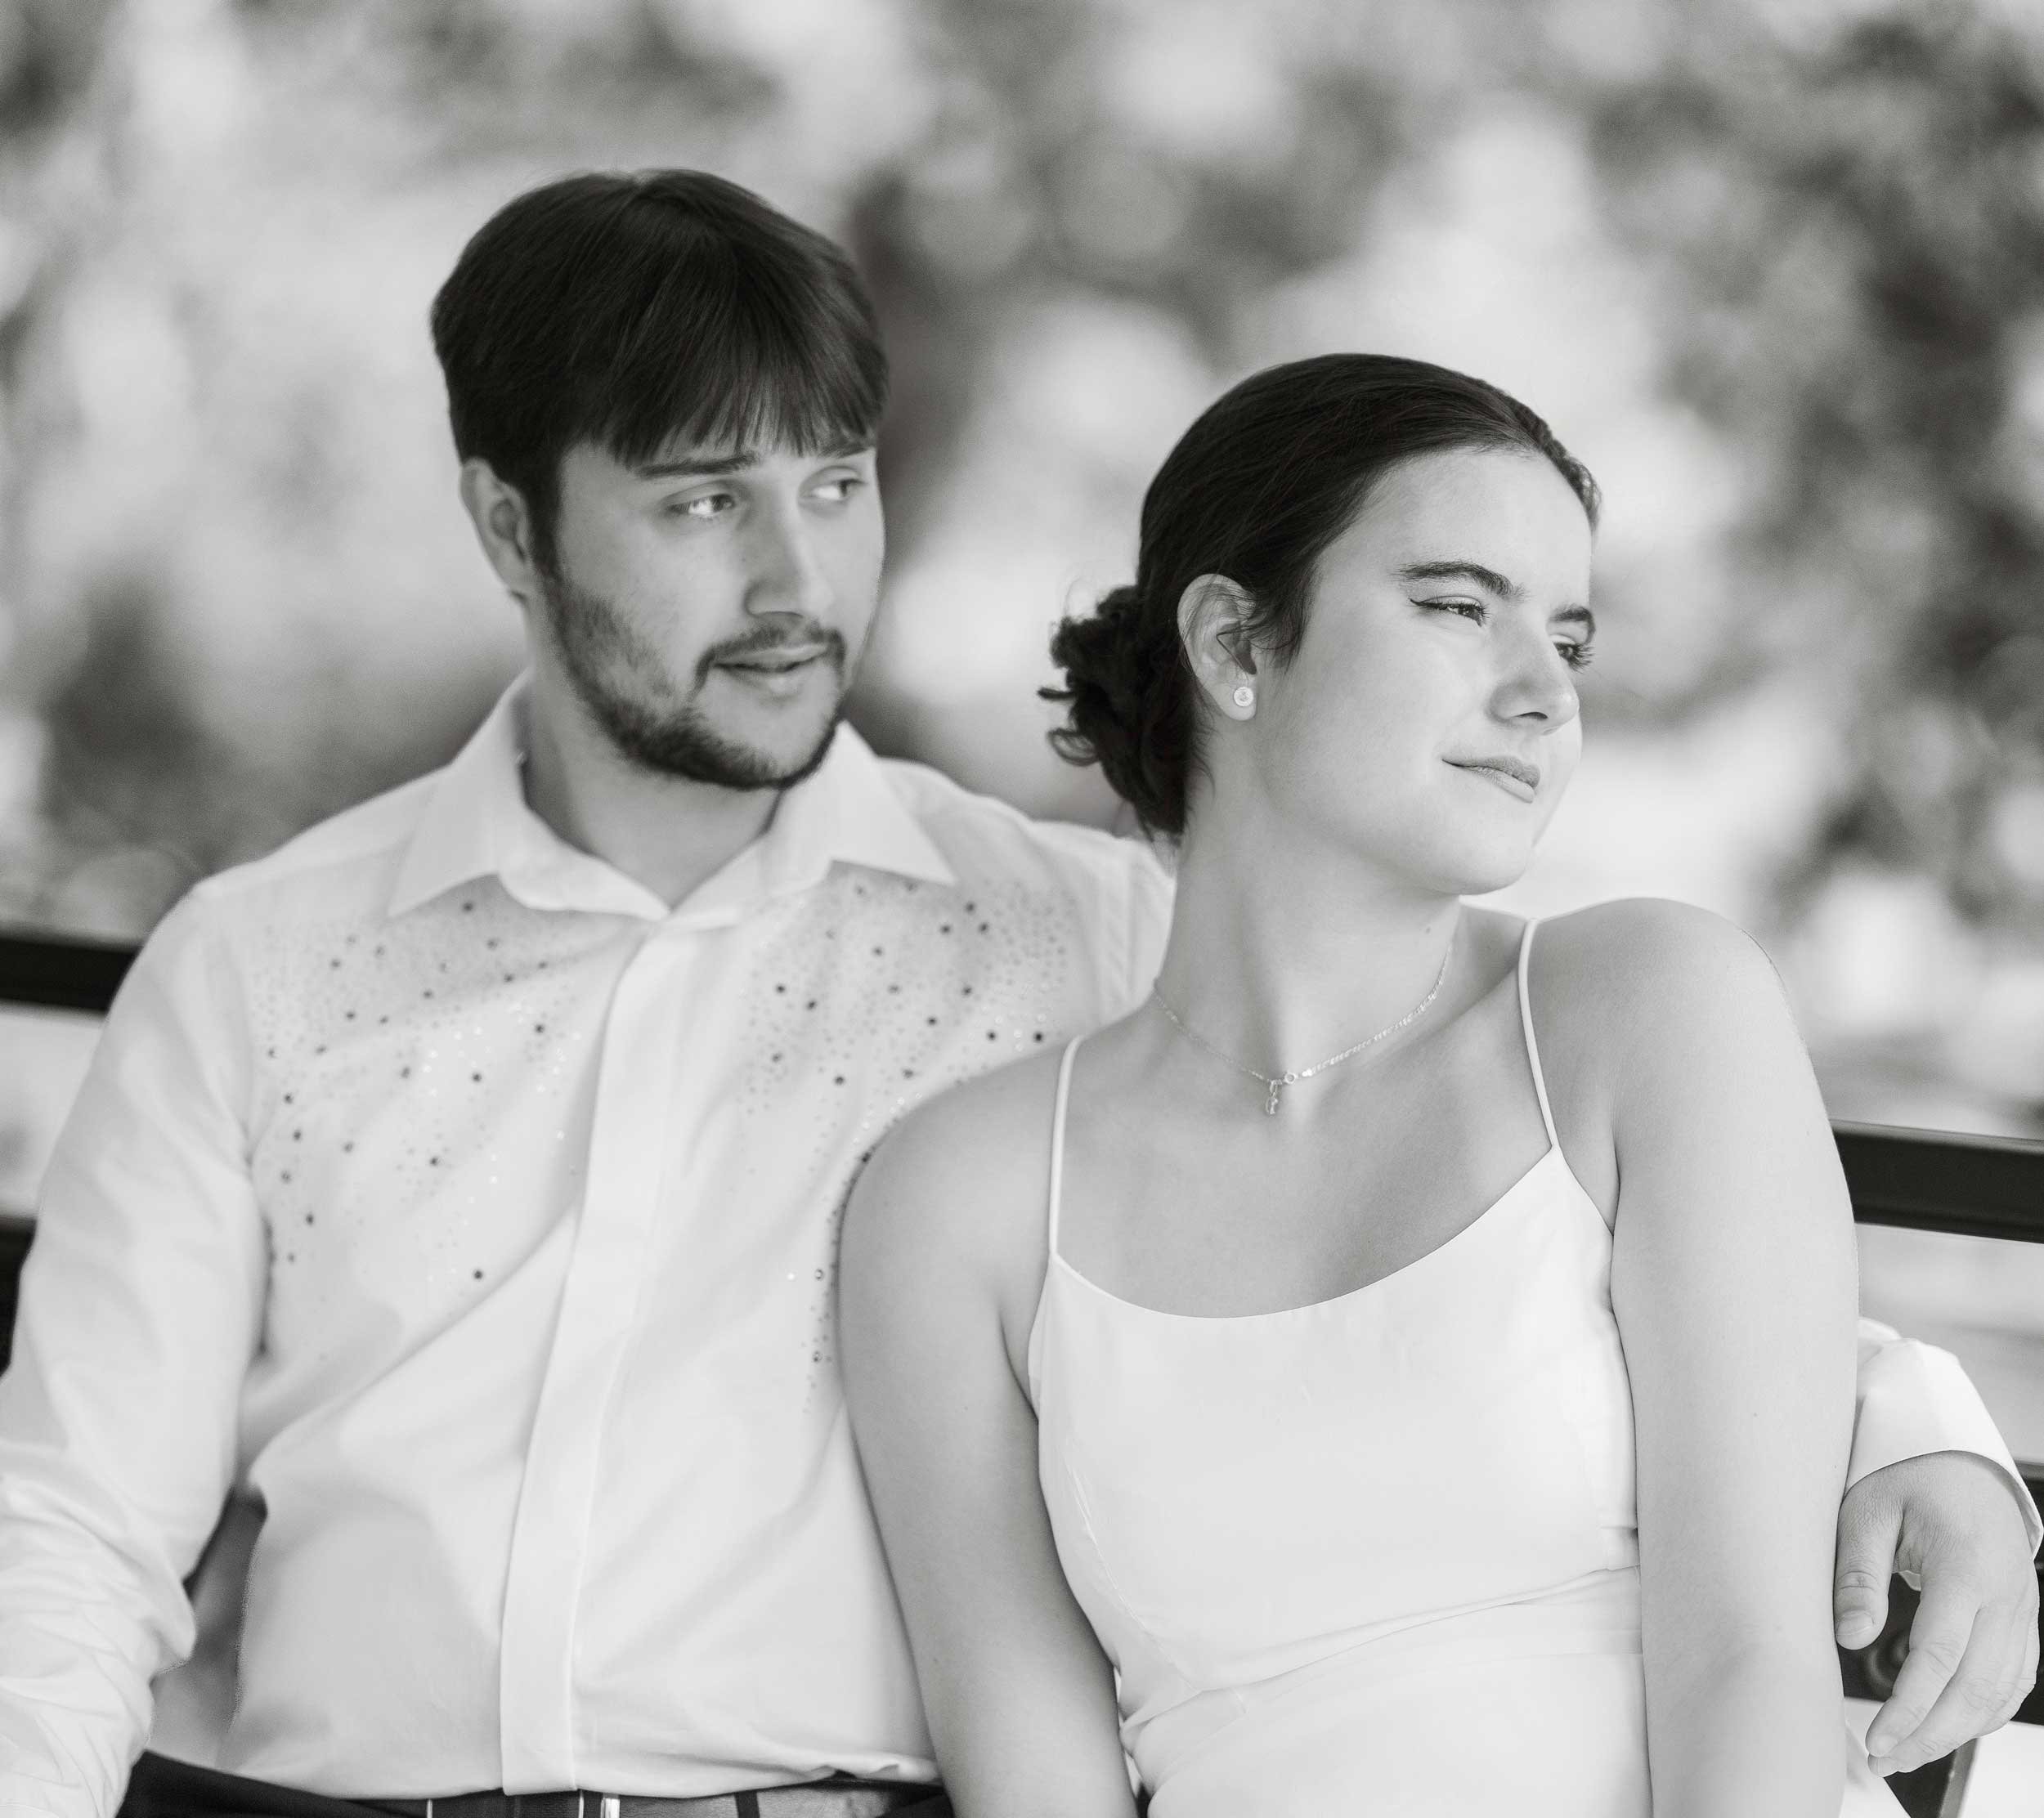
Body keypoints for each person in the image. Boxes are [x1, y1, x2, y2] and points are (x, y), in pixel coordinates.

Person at [0, 175, 2029, 1818]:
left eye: (837, 482)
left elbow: (1485, 1187)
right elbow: (68, 1539)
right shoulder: (268, 965)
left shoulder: (1065, 930)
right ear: (508, 524)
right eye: (706, 498)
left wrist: (1906, 1416)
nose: (797, 573)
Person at [837, 354, 2044, 1816]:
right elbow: (1037, 1786)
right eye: (1460, 607)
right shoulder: (957, 1202)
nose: (1543, 696)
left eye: (1574, 641)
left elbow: (1748, 1665)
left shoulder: (1647, 1010)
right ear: (1234, 642)